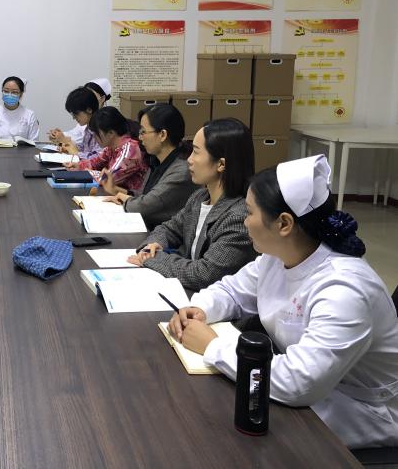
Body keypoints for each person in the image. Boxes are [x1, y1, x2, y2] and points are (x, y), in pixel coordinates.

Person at [169, 155, 398, 449]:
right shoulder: (278, 257)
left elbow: (300, 382)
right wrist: (200, 308)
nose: (243, 221)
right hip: (309, 391)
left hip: (357, 410)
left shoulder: (345, 288)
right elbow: (232, 291)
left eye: (249, 212)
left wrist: (213, 346)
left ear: (284, 223)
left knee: (218, 437)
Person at [128, 118, 256, 291]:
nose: (189, 159)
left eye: (196, 152)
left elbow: (203, 274)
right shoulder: (200, 197)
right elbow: (169, 228)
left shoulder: (239, 217)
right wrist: (152, 245)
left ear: (221, 164)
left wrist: (153, 258)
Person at [107, 103, 195, 228]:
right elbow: (147, 197)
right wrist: (116, 190)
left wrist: (126, 200)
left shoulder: (181, 171)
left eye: (143, 132)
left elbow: (143, 207)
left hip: (163, 235)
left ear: (162, 135)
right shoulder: (157, 161)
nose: (140, 137)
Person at [65, 106, 147, 194]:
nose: (95, 137)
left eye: (96, 134)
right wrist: (79, 166)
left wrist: (84, 172)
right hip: (113, 193)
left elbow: (108, 179)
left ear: (111, 133)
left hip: (130, 198)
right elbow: (96, 163)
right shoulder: (111, 147)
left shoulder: (130, 150)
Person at [48, 78, 111, 147]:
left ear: (102, 99)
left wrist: (64, 140)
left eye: (92, 95)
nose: (74, 118)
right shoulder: (88, 126)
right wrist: (58, 136)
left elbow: (94, 153)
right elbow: (80, 144)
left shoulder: (103, 126)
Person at [0, 75, 40, 141]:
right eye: (6, 91)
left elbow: (34, 142)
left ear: (21, 94)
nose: (9, 95)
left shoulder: (29, 115)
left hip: (23, 148)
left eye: (14, 92)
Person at [53, 87, 103, 160]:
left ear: (89, 110)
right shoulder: (88, 128)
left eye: (76, 114)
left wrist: (76, 153)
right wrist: (67, 149)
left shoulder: (101, 130)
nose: (74, 118)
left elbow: (99, 158)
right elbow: (84, 149)